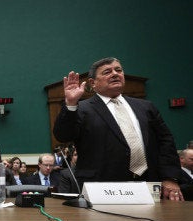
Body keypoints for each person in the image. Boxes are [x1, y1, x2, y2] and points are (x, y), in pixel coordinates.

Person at [53, 57, 183, 201]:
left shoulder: (146, 107)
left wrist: (170, 178)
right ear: (92, 83)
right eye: (107, 72)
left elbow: (166, 141)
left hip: (150, 185)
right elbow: (63, 135)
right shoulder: (81, 109)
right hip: (103, 189)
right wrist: (71, 104)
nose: (115, 74)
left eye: (118, 70)